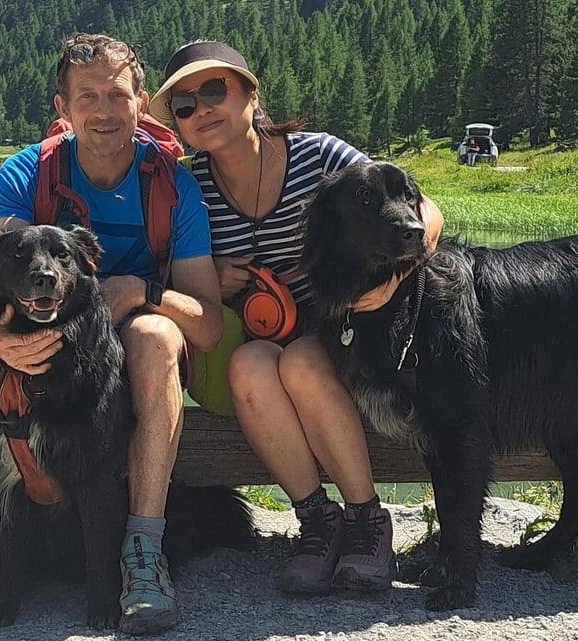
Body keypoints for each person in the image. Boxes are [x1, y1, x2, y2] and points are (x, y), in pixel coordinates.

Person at [0, 34, 222, 635]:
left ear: (141, 102)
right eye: (87, 96)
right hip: (53, 333)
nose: (104, 111)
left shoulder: (173, 186)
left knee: (157, 338)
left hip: (132, 339)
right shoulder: (25, 174)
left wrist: (143, 292)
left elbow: (210, 326)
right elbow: (7, 274)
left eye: (118, 94)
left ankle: (142, 550)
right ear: (63, 108)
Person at [148, 41, 444, 595]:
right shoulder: (191, 185)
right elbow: (174, 264)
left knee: (305, 363)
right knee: (248, 368)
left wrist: (395, 283)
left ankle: (366, 522)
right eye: (184, 105)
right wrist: (211, 271)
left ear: (250, 94)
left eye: (214, 90)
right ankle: (317, 522)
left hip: (345, 323)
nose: (201, 109)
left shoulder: (321, 157)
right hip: (260, 331)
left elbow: (423, 210)